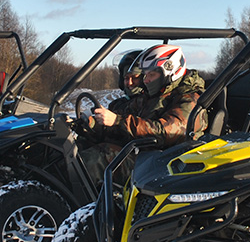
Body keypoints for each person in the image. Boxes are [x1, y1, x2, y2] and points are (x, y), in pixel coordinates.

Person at [79, 43, 208, 184]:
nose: (146, 80)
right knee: (79, 148)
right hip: (144, 156)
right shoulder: (153, 96)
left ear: (170, 71)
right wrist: (91, 124)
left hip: (165, 166)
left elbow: (166, 132)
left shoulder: (190, 101)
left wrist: (118, 120)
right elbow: (123, 115)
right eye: (145, 75)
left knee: (97, 159)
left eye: (151, 75)